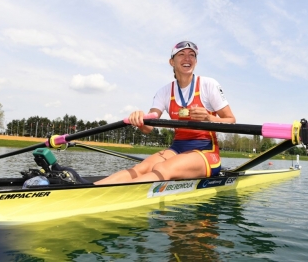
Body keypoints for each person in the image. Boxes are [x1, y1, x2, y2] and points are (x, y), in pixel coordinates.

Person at [70, 41, 236, 185]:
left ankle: (119, 194)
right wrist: (140, 120)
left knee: (162, 168)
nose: (187, 58)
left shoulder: (209, 85)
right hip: (177, 148)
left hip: (206, 151)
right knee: (141, 168)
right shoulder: (164, 92)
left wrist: (209, 118)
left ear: (196, 62)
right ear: (172, 62)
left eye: (192, 55)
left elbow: (231, 121)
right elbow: (149, 125)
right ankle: (88, 190)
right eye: (181, 54)